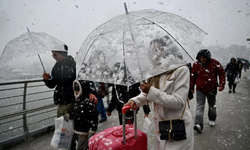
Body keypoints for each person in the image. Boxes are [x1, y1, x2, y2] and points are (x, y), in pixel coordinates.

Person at [125, 36, 194, 150]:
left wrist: (151, 91)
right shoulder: (153, 71)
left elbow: (178, 102)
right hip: (162, 128)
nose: (154, 55)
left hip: (178, 127)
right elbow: (147, 95)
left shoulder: (181, 70)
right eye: (152, 51)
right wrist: (135, 101)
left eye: (158, 50)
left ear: (168, 50)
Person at [42, 44, 76, 150]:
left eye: (55, 54)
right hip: (61, 102)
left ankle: (75, 146)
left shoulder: (73, 64)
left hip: (72, 101)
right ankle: (68, 147)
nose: (54, 57)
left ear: (62, 53)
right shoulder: (56, 67)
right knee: (63, 129)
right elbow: (53, 84)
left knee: (73, 127)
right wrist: (47, 80)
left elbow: (80, 82)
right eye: (53, 55)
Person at [190, 49, 225, 133]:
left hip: (212, 89)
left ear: (208, 57)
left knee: (212, 105)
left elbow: (222, 73)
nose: (202, 59)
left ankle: (212, 118)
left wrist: (221, 84)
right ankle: (198, 124)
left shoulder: (215, 63)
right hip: (200, 89)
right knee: (199, 106)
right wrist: (191, 87)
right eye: (200, 58)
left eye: (204, 57)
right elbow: (192, 76)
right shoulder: (196, 65)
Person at [66, 80, 98, 150]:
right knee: (83, 145)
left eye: (77, 90)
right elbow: (76, 113)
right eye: (75, 90)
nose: (76, 92)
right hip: (79, 130)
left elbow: (94, 118)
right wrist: (69, 115)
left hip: (84, 131)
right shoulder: (78, 101)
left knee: (81, 146)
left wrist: (92, 130)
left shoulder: (88, 102)